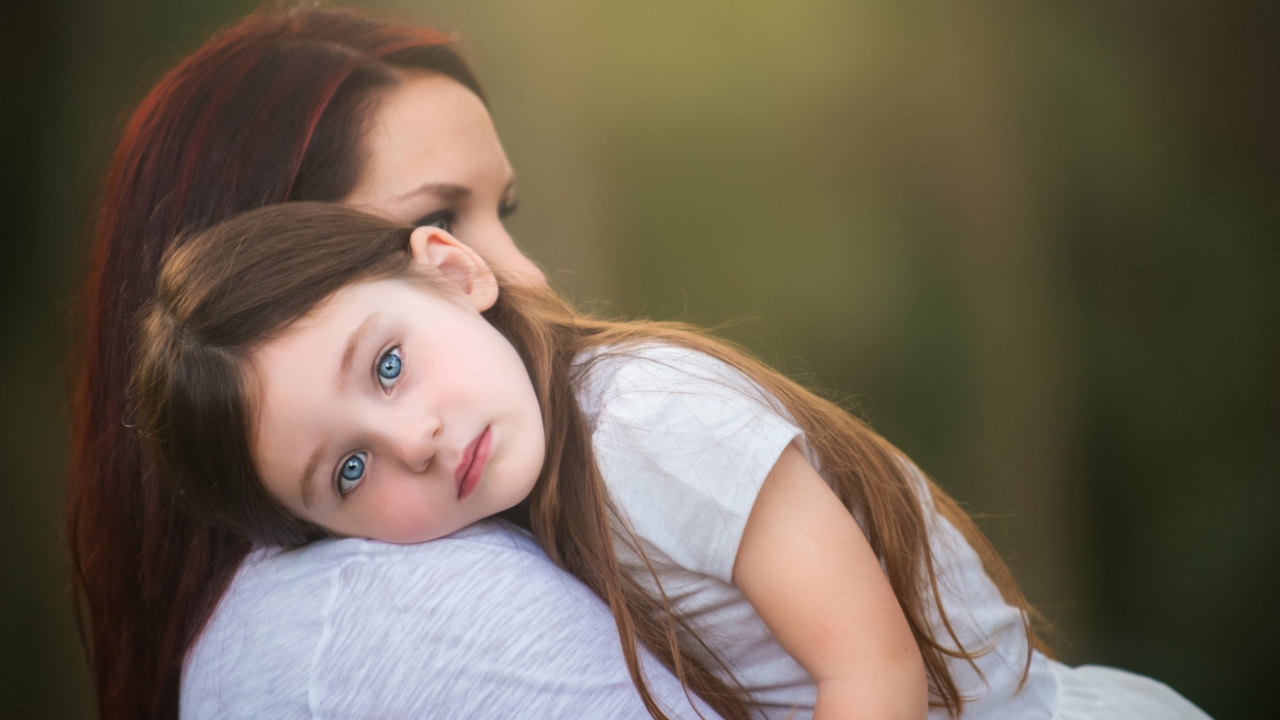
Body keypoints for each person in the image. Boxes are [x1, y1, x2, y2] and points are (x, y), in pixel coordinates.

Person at [133, 202, 1214, 720]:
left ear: (453, 270)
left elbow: (872, 670)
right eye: (349, 475)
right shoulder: (517, 482)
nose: (407, 438)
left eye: (387, 365)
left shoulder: (644, 421)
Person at [68, 6, 716, 720]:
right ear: (273, 264)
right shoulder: (410, 608)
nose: (525, 277)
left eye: (503, 211)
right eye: (437, 221)